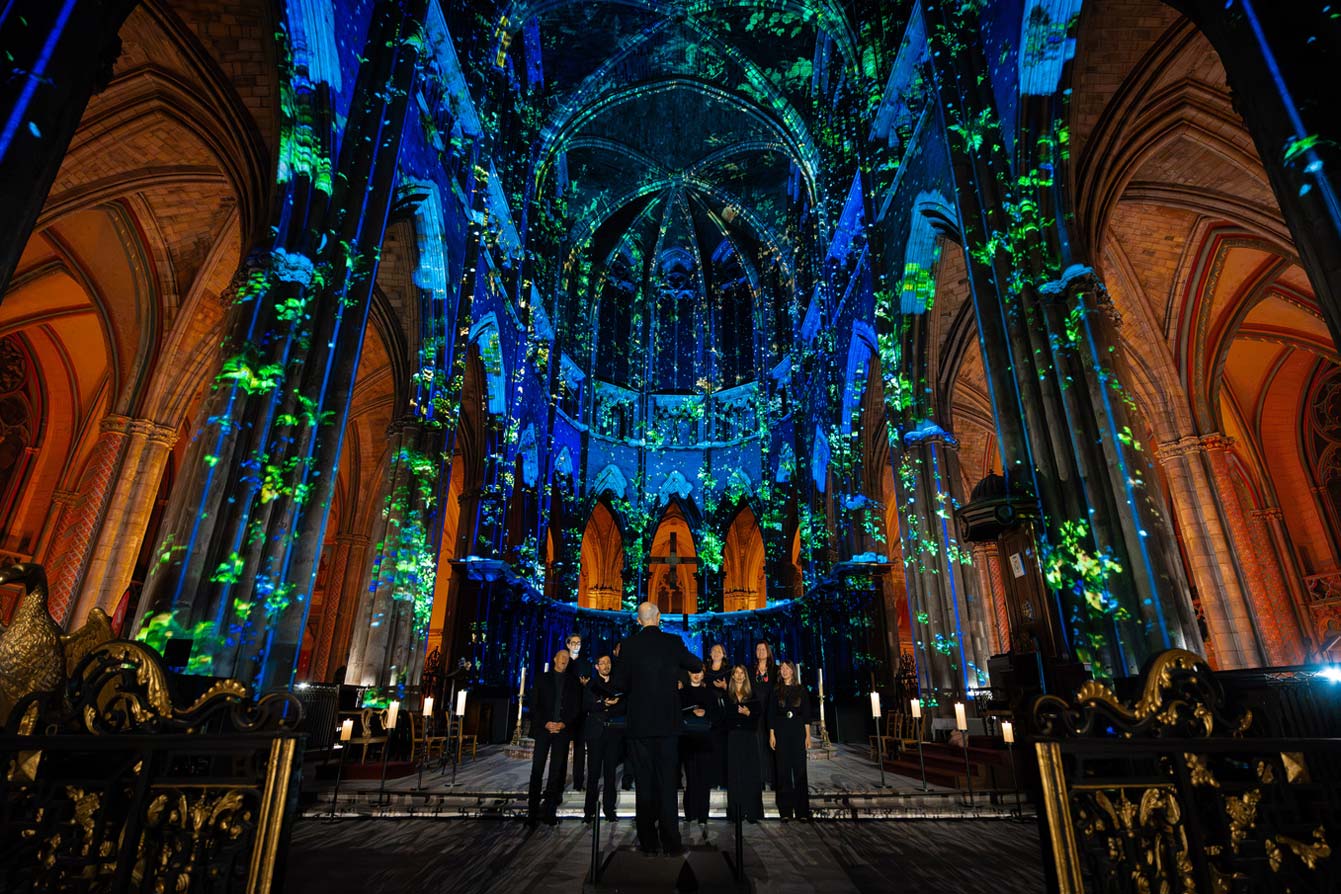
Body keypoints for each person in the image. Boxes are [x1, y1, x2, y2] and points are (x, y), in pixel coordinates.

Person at [610, 602, 703, 855]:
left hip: (639, 726)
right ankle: (672, 842)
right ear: (659, 618)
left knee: (645, 784)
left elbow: (619, 683)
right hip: (668, 726)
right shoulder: (672, 643)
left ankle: (648, 842)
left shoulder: (628, 646)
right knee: (667, 784)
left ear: (639, 621)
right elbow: (696, 665)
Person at [527, 648, 581, 827]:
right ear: (555, 659)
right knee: (537, 770)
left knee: (556, 773)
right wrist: (546, 723)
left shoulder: (573, 682)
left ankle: (549, 812)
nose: (564, 660)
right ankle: (532, 813)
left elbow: (575, 707)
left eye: (567, 658)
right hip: (544, 730)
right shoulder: (542, 678)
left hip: (562, 732)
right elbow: (534, 705)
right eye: (562, 657)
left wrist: (563, 723)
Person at [768, 659, 812, 821]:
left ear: (793, 671)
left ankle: (802, 812)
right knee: (783, 772)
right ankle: (785, 811)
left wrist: (807, 736)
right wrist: (772, 735)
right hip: (781, 733)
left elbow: (806, 714)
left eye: (788, 668)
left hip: (798, 732)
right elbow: (771, 714)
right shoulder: (775, 690)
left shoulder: (801, 690)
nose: (785, 671)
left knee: (800, 771)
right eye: (782, 669)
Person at [583, 654, 625, 823]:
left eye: (608, 662)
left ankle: (609, 810)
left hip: (613, 733)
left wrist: (612, 708)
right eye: (602, 663)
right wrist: (604, 705)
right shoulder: (591, 684)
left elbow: (624, 706)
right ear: (596, 666)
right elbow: (586, 706)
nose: (606, 665)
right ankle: (589, 811)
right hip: (595, 733)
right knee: (593, 774)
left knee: (610, 774)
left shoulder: (618, 684)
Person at [679, 664, 718, 839]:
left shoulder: (710, 693)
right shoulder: (682, 693)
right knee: (691, 778)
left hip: (705, 741)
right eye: (693, 672)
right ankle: (690, 813)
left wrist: (705, 712)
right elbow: (677, 714)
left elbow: (717, 715)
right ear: (689, 673)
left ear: (703, 674)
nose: (696, 675)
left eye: (699, 672)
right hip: (688, 741)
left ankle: (703, 814)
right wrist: (691, 713)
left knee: (704, 779)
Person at [724, 665, 764, 823]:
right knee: (735, 774)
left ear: (745, 676)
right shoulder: (727, 695)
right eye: (737, 673)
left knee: (750, 773)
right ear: (733, 676)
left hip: (749, 738)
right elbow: (724, 718)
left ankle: (751, 811)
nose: (739, 676)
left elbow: (758, 716)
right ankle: (736, 812)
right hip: (733, 738)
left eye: (742, 673)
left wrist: (749, 713)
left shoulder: (752, 694)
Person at [566, 632, 593, 790]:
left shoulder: (585, 663)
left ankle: (578, 782)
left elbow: (588, 684)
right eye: (573, 643)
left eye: (579, 643)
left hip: (581, 710)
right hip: (566, 710)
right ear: (568, 644)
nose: (576, 645)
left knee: (580, 749)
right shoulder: (564, 661)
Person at [752, 640, 778, 789]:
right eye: (758, 649)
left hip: (771, 714)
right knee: (758, 746)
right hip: (756, 714)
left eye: (763, 649)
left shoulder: (775, 670)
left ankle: (772, 779)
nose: (760, 651)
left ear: (768, 652)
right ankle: (759, 779)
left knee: (771, 747)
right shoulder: (751, 670)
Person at [703, 644, 730, 788]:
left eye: (719, 651)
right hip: (709, 715)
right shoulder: (705, 671)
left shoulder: (729, 671)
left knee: (723, 749)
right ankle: (712, 781)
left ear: (724, 654)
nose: (716, 653)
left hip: (724, 715)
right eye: (713, 650)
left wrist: (725, 687)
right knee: (711, 749)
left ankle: (724, 781)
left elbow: (735, 693)